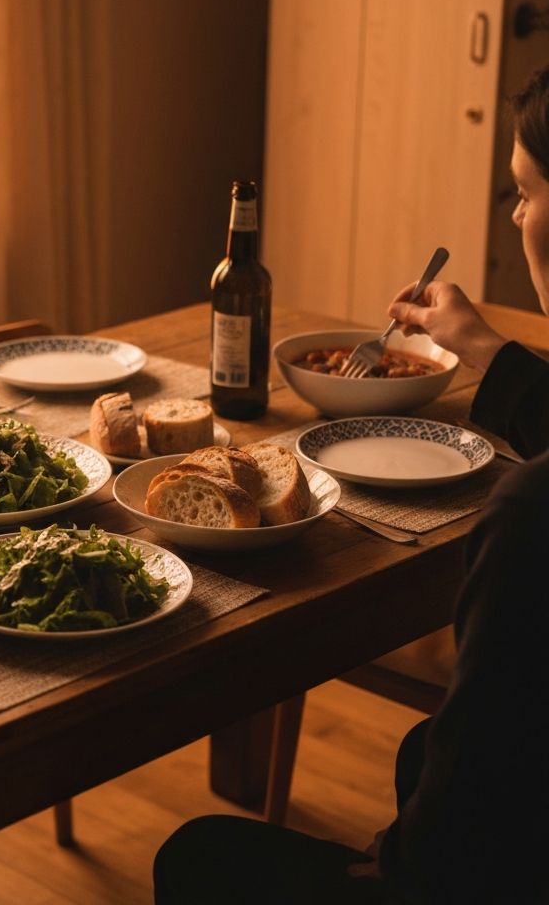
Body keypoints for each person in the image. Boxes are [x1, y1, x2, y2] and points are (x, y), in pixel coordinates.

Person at [154, 66, 549, 904]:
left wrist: (389, 865)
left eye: (524, 192)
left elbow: (458, 845)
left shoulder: (532, 515)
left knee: (199, 859)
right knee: (423, 749)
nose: (516, 217)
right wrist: (481, 345)